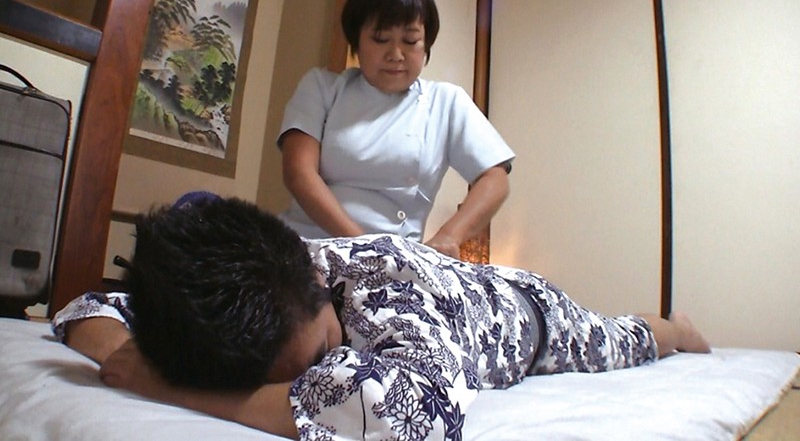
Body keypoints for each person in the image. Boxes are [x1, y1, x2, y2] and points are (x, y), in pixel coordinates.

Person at [54, 195, 710, 441]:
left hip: (528, 315)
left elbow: (413, 415)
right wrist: (132, 352)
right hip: (469, 292)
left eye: (319, 357)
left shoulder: (392, 299)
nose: (319, 377)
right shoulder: (256, 275)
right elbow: (88, 309)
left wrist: (171, 388)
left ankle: (673, 325)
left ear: (319, 283)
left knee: (621, 338)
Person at [278, 0, 514, 258]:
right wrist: (364, 247)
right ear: (357, 40)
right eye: (380, 39)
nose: (396, 55)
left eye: (410, 41)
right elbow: (299, 173)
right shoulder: (322, 87)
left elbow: (495, 178)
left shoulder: (445, 101)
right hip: (306, 246)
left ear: (426, 44)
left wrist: (449, 236)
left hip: (396, 260)